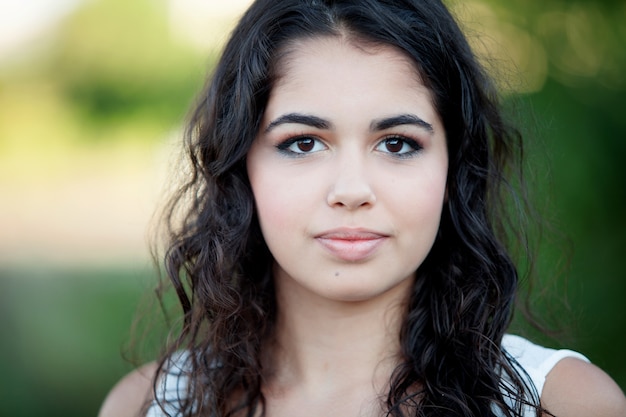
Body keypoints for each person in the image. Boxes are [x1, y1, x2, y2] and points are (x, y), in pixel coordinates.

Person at [99, 0, 626, 416]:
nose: (351, 190)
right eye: (303, 142)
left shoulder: (561, 404)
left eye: (397, 143)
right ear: (241, 168)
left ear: (453, 167)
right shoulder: (150, 404)